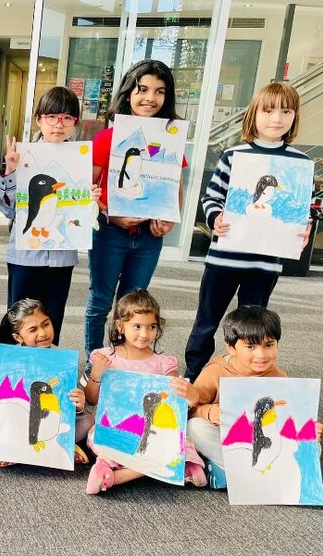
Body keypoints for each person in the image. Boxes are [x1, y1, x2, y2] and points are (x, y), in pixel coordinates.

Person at [184, 82, 313, 382]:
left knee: (252, 326)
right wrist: (215, 217)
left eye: (286, 111)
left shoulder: (300, 164)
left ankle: (243, 380)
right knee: (207, 321)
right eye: (268, 110)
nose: (276, 118)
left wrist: (302, 228)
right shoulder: (234, 155)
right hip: (225, 258)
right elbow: (212, 197)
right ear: (254, 114)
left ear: (295, 117)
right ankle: (194, 375)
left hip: (265, 263)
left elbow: (300, 209)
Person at [84, 59, 186, 360]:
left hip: (147, 238)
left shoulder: (170, 140)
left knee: (134, 306)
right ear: (128, 92)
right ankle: (95, 363)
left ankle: (127, 362)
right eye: (142, 89)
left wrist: (168, 219)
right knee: (101, 301)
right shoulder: (107, 138)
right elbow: (87, 191)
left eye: (159, 91)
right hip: (109, 233)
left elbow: (174, 188)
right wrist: (109, 213)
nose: (150, 98)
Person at [0, 86, 101, 345]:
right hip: (25, 254)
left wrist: (91, 203)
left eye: (67, 118)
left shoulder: (79, 160)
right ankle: (12, 373)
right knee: (19, 317)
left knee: (52, 318)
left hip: (61, 256)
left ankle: (48, 374)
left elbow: (82, 218)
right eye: (52, 117)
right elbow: (8, 210)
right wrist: (10, 172)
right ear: (39, 119)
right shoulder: (22, 156)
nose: (59, 124)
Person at [186, 305, 323, 487]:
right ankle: (247, 473)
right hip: (227, 437)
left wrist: (308, 427)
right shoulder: (216, 371)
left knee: (313, 445)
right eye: (250, 346)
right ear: (231, 347)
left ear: (278, 344)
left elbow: (289, 418)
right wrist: (210, 412)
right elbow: (190, 410)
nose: (261, 355)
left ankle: (232, 473)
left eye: (268, 345)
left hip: (262, 439)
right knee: (194, 428)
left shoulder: (279, 377)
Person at [84, 289, 204, 494]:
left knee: (178, 441)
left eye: (151, 327)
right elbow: (92, 400)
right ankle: (167, 467)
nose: (144, 334)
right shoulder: (104, 357)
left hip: (152, 429)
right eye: (137, 326)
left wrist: (192, 396)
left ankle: (115, 475)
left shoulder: (164, 363)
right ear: (120, 326)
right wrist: (96, 374)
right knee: (103, 439)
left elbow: (176, 405)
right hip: (116, 426)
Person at [0, 298, 92, 467]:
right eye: (33, 329)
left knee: (88, 420)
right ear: (18, 337)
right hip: (22, 420)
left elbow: (69, 399)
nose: (43, 333)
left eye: (46, 324)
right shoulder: (10, 360)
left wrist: (79, 402)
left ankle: (62, 443)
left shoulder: (62, 358)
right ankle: (17, 449)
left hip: (51, 421)